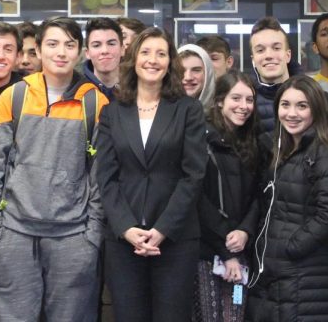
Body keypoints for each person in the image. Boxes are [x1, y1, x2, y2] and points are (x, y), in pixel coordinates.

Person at [0, 17, 107, 322]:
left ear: (80, 52)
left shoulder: (95, 102)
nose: (61, 52)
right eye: (52, 44)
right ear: (37, 49)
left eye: (69, 44)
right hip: (13, 234)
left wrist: (92, 236)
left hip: (73, 238)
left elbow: (100, 177)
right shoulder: (16, 96)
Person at [95, 27, 208, 322]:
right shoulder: (113, 112)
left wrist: (162, 230)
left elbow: (193, 175)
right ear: (133, 59)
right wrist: (126, 228)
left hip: (175, 239)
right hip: (123, 241)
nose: (153, 60)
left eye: (161, 53)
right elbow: (106, 177)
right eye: (145, 52)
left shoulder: (188, 110)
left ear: (171, 62)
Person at [248, 75, 328, 321]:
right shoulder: (281, 150)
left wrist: (288, 248)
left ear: (316, 109)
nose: (292, 113)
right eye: (285, 105)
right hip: (279, 275)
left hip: (307, 273)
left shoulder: (325, 152)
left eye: (302, 106)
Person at [193, 71, 263, 322]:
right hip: (208, 252)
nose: (244, 107)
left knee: (235, 315)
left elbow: (259, 195)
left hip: (242, 250)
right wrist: (226, 250)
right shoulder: (201, 138)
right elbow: (197, 199)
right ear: (220, 100)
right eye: (236, 98)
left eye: (249, 100)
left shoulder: (252, 142)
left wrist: (245, 231)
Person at [247, 17, 302, 132]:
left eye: (276, 48)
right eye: (260, 50)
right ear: (253, 61)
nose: (269, 55)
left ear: (288, 56)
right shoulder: (244, 102)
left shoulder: (314, 95)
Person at [83, 17, 124, 99]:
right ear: (87, 53)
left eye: (111, 44)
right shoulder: (76, 90)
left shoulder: (138, 89)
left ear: (122, 49)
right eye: (96, 45)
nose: (105, 51)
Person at [179, 44, 216, 112]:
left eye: (196, 70)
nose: (188, 77)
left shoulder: (220, 116)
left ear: (208, 74)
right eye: (181, 70)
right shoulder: (160, 110)